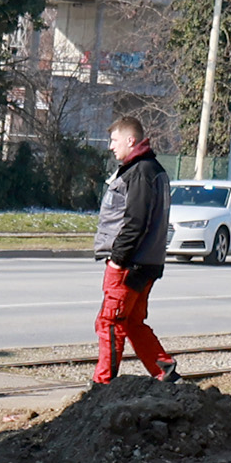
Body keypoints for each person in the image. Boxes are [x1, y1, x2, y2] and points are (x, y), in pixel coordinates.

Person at [91, 109, 174, 385]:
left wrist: (117, 260)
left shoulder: (139, 172)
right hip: (147, 263)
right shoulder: (153, 170)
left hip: (129, 265)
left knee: (111, 322)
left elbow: (135, 221)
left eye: (114, 140)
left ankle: (103, 386)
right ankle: (165, 371)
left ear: (130, 140)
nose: (111, 146)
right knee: (132, 322)